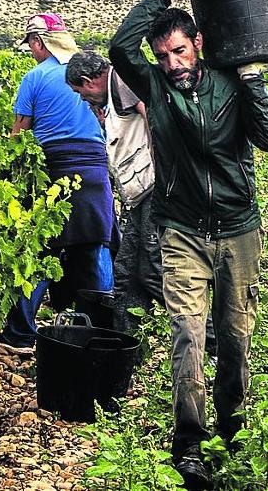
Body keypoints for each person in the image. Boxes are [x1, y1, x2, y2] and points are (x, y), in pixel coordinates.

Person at [109, 0, 268, 489]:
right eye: (163, 56)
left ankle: (231, 431)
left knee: (234, 338)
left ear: (199, 45)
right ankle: (189, 444)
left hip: (237, 230)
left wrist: (253, 81)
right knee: (188, 333)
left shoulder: (230, 83)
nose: (172, 63)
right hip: (181, 229)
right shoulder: (156, 89)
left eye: (180, 51)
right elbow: (121, 46)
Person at [0, 13, 116, 355]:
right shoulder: (99, 75)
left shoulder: (35, 76)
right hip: (96, 166)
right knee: (95, 244)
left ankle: (21, 333)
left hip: (52, 167)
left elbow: (19, 132)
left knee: (40, 249)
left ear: (39, 43)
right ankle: (106, 332)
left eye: (30, 44)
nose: (30, 51)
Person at [65, 50, 161, 332]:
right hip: (139, 196)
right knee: (126, 273)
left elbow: (153, 118)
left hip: (154, 191)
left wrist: (168, 174)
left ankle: (211, 339)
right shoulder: (112, 96)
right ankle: (124, 344)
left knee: (154, 269)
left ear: (88, 80)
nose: (83, 99)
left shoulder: (123, 82)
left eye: (80, 92)